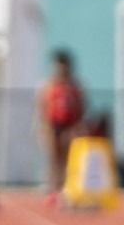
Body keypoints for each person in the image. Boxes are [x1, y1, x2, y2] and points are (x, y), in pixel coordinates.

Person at [37, 50, 87, 197]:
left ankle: (66, 187)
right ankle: (52, 186)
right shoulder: (48, 85)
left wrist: (78, 125)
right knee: (53, 157)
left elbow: (81, 106)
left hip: (69, 125)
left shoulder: (75, 85)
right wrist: (44, 127)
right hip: (53, 124)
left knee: (67, 157)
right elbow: (42, 106)